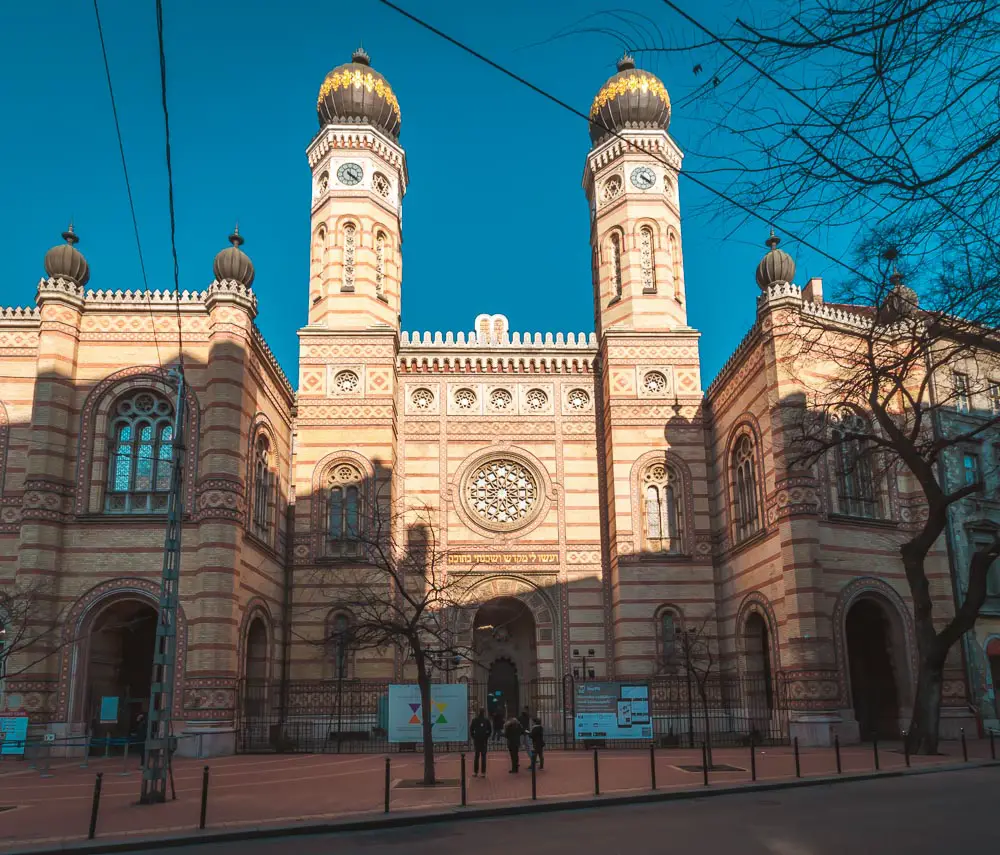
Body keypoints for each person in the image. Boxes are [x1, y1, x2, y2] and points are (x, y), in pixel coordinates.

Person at [470, 708, 491, 777]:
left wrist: (474, 736)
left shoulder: (475, 720)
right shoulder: (486, 720)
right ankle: (483, 772)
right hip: (483, 740)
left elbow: (471, 730)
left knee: (477, 756)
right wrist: (486, 736)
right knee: (483, 756)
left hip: (478, 740)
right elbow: (490, 730)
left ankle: (476, 772)